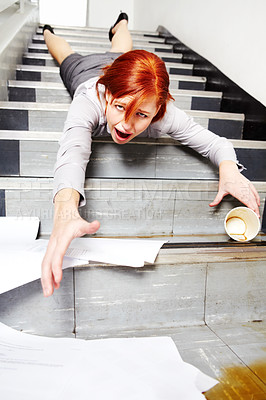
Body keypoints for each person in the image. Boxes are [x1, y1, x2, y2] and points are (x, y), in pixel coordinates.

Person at [41, 13, 260, 297]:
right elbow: (73, 151)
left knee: (122, 49)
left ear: (157, 111)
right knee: (66, 54)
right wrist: (66, 210)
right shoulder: (89, 99)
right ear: (107, 95)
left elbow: (216, 144)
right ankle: (46, 30)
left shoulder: (164, 116)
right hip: (83, 71)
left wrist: (229, 170)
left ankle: (120, 24)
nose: (125, 125)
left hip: (123, 68)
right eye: (120, 108)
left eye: (142, 115)